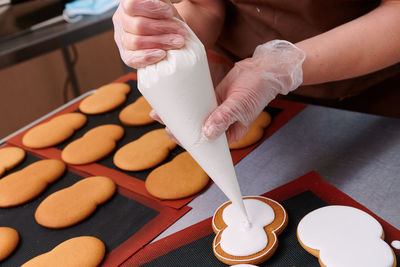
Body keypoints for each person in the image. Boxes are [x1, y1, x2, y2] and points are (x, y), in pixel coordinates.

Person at [113, 0, 400, 144]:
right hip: (245, 93)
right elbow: (206, 6)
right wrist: (171, 34)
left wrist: (276, 68)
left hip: (377, 91)